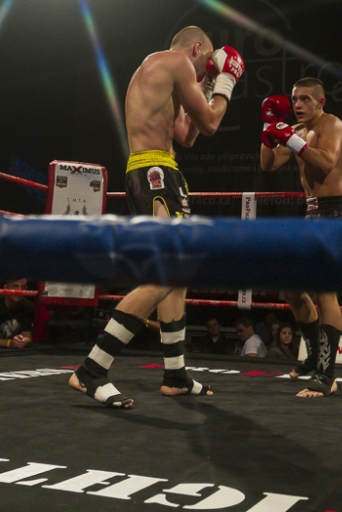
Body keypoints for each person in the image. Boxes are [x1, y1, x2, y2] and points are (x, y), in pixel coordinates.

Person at [69, 27, 245, 409]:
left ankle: (176, 375)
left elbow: (188, 135)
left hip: (162, 171)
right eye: (206, 61)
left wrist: (209, 82)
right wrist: (226, 81)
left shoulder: (164, 72)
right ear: (197, 48)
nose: (204, 68)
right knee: (163, 275)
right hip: (154, 174)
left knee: (176, 279)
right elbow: (212, 123)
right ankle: (92, 368)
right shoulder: (177, 61)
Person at [259, 77, 342, 398]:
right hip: (311, 214)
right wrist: (269, 128)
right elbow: (268, 164)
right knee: (291, 288)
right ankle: (312, 358)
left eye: (305, 99)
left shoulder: (332, 125)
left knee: (325, 294)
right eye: (295, 98)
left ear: (321, 102)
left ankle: (327, 375)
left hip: (335, 214)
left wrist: (291, 139)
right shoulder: (296, 130)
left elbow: (326, 163)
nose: (298, 104)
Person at [0, 279, 35, 349]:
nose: (19, 291)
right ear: (6, 288)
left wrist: (21, 341)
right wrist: (9, 343)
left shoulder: (28, 306)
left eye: (22, 287)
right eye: (15, 286)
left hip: (13, 351)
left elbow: (27, 337)